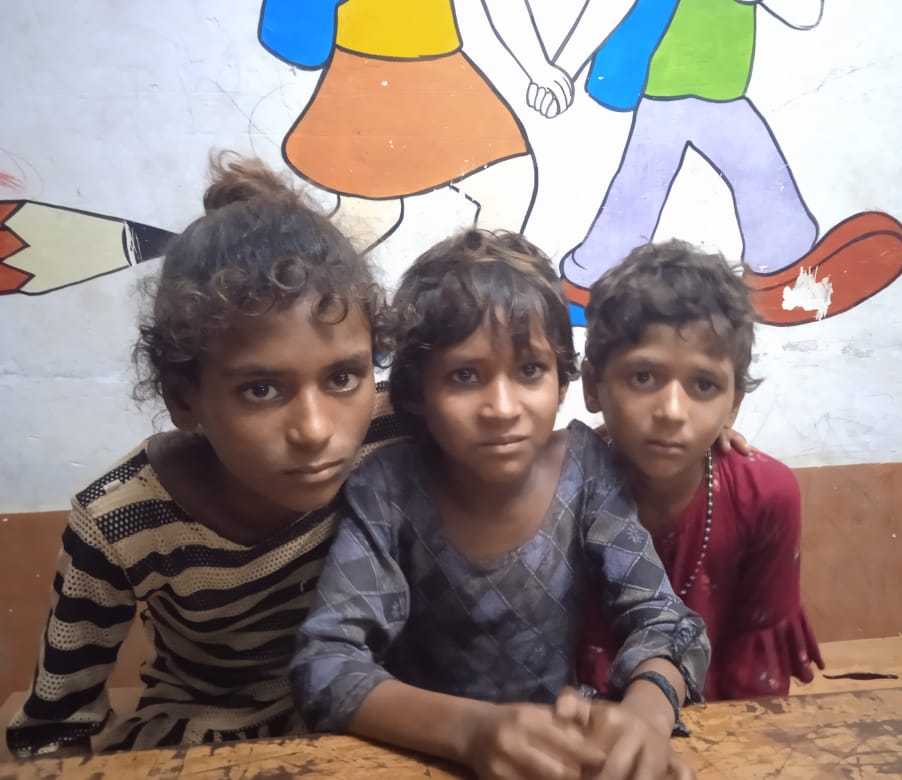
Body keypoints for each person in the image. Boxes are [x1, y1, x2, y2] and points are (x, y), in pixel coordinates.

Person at [6, 155, 403, 756]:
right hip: (204, 733)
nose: (316, 430)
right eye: (261, 389)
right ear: (183, 398)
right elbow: (53, 730)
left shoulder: (391, 430)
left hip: (373, 713)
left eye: (343, 377)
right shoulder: (120, 520)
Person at [290, 229, 707, 780]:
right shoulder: (388, 488)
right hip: (423, 756)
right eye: (465, 376)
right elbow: (326, 663)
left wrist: (646, 716)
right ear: (416, 393)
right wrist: (472, 732)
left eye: (530, 370)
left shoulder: (585, 469)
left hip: (561, 758)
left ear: (562, 381)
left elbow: (665, 620)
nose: (503, 408)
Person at [578, 240, 824, 701]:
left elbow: (756, 684)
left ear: (733, 405)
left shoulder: (764, 494)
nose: (672, 411)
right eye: (643, 377)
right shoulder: (559, 487)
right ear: (593, 385)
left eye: (704, 385)